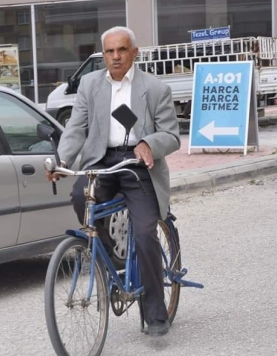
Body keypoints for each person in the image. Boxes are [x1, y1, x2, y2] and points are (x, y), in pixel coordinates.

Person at [46, 26, 181, 336]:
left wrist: (148, 143)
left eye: (122, 50)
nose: (116, 56)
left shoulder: (155, 88)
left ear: (134, 52)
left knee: (144, 233)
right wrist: (61, 161)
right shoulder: (90, 84)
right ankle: (111, 257)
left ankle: (155, 312)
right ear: (103, 55)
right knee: (80, 196)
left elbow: (171, 136)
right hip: (102, 160)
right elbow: (76, 128)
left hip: (138, 165)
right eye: (110, 51)